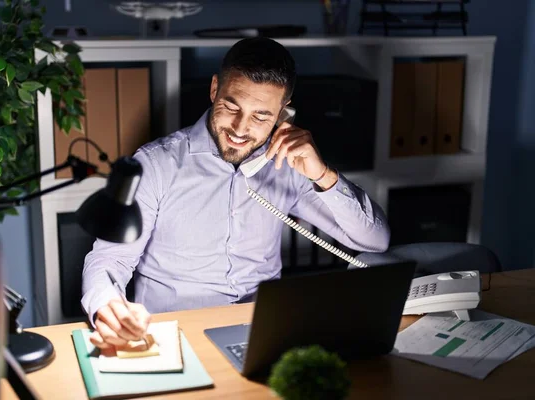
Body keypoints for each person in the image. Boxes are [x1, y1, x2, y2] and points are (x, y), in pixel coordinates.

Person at [81, 37, 390, 349]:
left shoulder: (288, 166)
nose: (241, 129)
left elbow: (374, 241)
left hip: (260, 334)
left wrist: (323, 175)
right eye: (231, 106)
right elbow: (110, 259)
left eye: (261, 116)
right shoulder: (155, 163)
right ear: (215, 89)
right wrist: (109, 307)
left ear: (283, 113)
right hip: (175, 334)